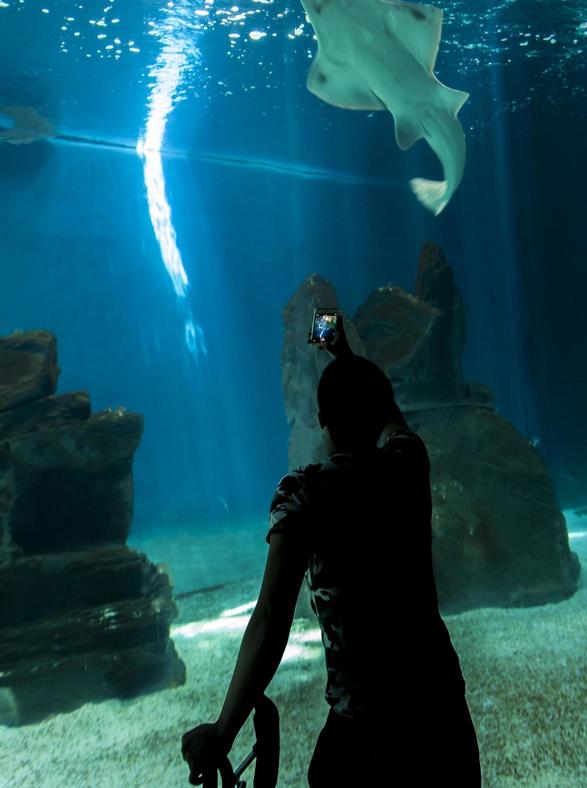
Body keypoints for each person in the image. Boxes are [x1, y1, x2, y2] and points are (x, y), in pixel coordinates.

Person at [181, 315, 480, 787]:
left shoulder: (304, 494)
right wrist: (345, 359)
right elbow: (392, 420)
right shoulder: (408, 464)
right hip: (440, 714)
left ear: (322, 420)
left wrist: (224, 730)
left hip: (365, 729)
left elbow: (271, 620)